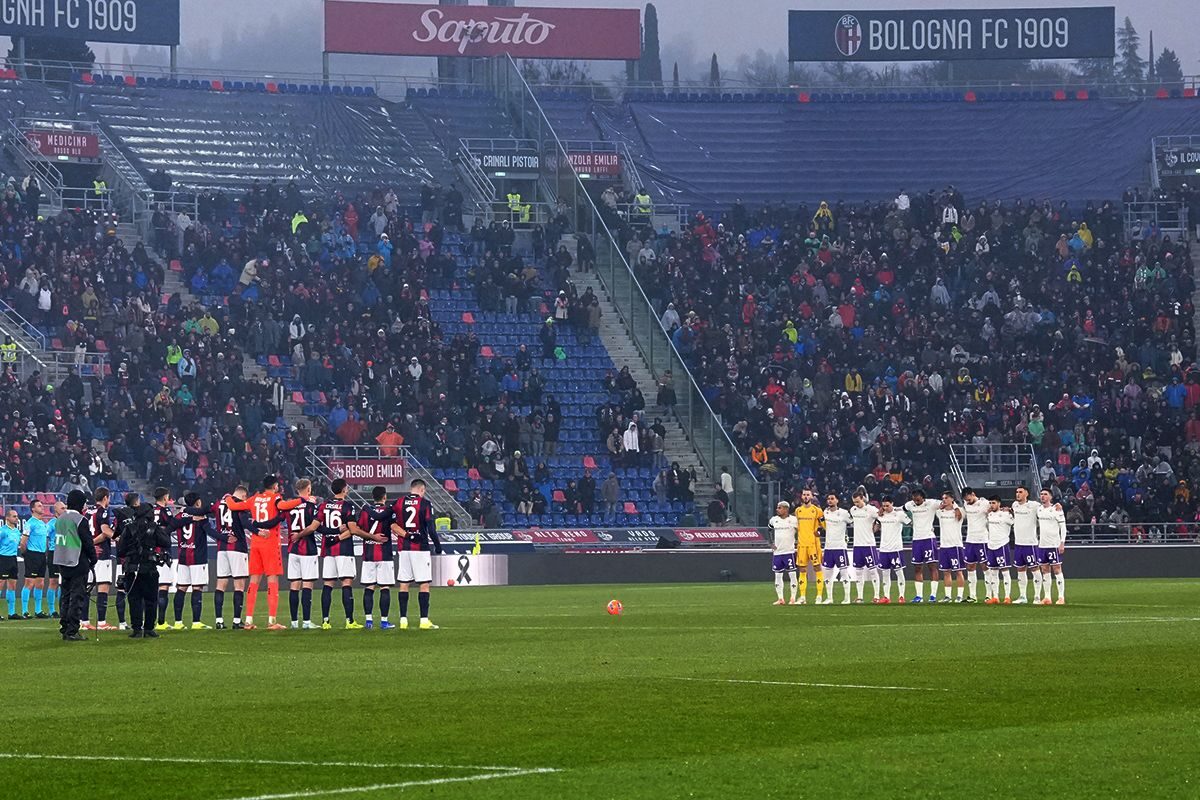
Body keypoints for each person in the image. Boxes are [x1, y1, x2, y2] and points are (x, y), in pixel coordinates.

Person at [224, 476, 302, 631]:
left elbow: (233, 506)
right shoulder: (275, 498)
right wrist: (302, 500)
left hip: (255, 543)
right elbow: (285, 506)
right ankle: (272, 621)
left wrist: (227, 498)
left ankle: (248, 621)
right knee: (272, 580)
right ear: (274, 486)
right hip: (270, 543)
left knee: (254, 581)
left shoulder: (254, 499)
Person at [116, 494, 170, 639]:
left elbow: (120, 550)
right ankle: (149, 629)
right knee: (151, 600)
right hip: (149, 568)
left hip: (132, 568)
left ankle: (136, 629)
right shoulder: (153, 527)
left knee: (134, 600)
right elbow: (166, 542)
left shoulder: (129, 527)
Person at [393, 479, 443, 630]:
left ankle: (403, 620)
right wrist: (438, 546)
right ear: (422, 490)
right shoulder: (425, 504)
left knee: (404, 584)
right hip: (420, 548)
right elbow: (431, 529)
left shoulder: (399, 502)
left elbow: (392, 523)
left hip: (404, 548)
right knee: (424, 584)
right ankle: (424, 620)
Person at [317, 478, 364, 629]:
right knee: (346, 583)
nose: (348, 490)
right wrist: (338, 534)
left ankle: (325, 621)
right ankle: (349, 621)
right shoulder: (348, 506)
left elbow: (317, 528)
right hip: (343, 549)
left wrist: (331, 533)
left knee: (328, 584)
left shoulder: (323, 505)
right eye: (347, 488)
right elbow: (352, 529)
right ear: (344, 490)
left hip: (328, 549)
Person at [52, 490, 96, 641]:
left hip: (62, 561)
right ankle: (72, 630)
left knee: (65, 597)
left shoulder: (60, 519)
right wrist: (93, 558)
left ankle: (64, 627)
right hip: (77, 561)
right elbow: (87, 542)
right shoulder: (79, 520)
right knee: (77, 597)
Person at [171, 493, 213, 630]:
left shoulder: (179, 516)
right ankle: (196, 622)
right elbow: (210, 532)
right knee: (197, 588)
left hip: (183, 557)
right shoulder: (201, 517)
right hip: (198, 557)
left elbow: (171, 527)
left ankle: (178, 622)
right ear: (198, 502)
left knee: (181, 588)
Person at [214, 485, 253, 629]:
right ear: (244, 496)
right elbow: (245, 523)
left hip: (222, 548)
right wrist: (257, 530)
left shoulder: (219, 504)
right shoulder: (239, 505)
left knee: (221, 584)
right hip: (237, 547)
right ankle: (237, 621)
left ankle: (219, 620)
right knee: (239, 585)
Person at [358, 486, 395, 630]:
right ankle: (384, 622)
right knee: (384, 587)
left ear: (373, 497)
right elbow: (393, 527)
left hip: (368, 553)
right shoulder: (388, 511)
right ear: (384, 497)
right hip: (384, 553)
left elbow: (359, 529)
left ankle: (368, 621)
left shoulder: (365, 511)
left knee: (369, 587)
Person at [285, 479, 321, 630]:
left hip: (293, 550)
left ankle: (294, 622)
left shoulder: (289, 506)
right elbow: (316, 526)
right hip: (308, 549)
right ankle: (306, 622)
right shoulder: (312, 505)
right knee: (307, 585)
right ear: (308, 489)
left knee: (294, 586)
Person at [82, 489, 117, 630]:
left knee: (87, 588)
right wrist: (118, 537)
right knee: (103, 587)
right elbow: (105, 532)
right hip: (101, 553)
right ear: (105, 498)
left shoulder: (86, 512)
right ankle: (101, 622)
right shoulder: (103, 511)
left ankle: (84, 622)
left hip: (87, 555)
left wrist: (88, 546)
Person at [20, 499, 54, 619]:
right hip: (32, 555)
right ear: (33, 509)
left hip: (41, 555)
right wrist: (26, 554)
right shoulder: (30, 523)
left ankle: (38, 610)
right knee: (29, 582)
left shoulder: (43, 523)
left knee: (40, 583)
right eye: (39, 506)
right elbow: (23, 541)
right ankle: (25, 611)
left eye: (42, 505)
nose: (42, 507)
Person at [904, 489, 939, 603]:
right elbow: (902, 509)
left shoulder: (931, 503)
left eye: (918, 500)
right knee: (917, 568)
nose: (916, 502)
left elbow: (946, 503)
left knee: (932, 566)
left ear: (923, 498)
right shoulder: (910, 505)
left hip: (929, 538)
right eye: (914, 499)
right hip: (916, 540)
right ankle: (919, 595)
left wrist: (957, 508)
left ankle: (933, 595)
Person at [1010, 486, 1041, 604]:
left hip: (1030, 543)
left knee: (1034, 569)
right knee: (1020, 569)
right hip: (1018, 543)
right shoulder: (1015, 505)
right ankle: (1023, 596)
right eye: (1017, 492)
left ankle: (1037, 596)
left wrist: (1056, 506)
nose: (1017, 494)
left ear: (1026, 493)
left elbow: (1045, 509)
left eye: (1020, 492)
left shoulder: (1034, 505)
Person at [819, 493, 852, 605]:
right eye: (828, 498)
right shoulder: (825, 512)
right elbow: (821, 526)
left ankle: (847, 598)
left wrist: (847, 537)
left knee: (844, 573)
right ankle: (829, 598)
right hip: (828, 548)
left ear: (837, 500)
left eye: (832, 498)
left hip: (840, 548)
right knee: (827, 575)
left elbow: (852, 523)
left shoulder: (844, 513)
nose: (830, 500)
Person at [876, 496, 910, 604]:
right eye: (884, 506)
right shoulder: (881, 515)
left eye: (887, 505)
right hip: (883, 549)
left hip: (896, 549)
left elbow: (910, 523)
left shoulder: (899, 514)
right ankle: (886, 596)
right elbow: (875, 528)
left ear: (892, 503)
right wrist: (876, 519)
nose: (885, 508)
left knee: (899, 573)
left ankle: (901, 596)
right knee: (885, 574)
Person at [1036, 489, 1067, 605]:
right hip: (1042, 545)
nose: (1042, 496)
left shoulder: (1056, 509)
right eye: (1041, 494)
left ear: (1051, 497)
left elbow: (1063, 527)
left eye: (1045, 494)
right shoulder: (1038, 510)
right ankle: (1047, 597)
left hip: (1053, 544)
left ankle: (1061, 597)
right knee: (1044, 570)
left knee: (1057, 569)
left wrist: (1062, 543)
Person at [849, 490, 880, 603]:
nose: (856, 504)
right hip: (857, 545)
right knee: (858, 572)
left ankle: (876, 596)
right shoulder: (853, 510)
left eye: (857, 502)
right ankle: (860, 597)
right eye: (854, 502)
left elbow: (881, 517)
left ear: (863, 498)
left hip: (868, 544)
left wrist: (876, 527)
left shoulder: (871, 510)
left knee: (872, 571)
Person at [792, 490, 824, 604]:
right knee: (802, 570)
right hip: (801, 545)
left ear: (811, 496)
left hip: (813, 545)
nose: (806, 497)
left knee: (817, 568)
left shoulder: (817, 511)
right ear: (801, 496)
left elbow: (823, 525)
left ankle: (819, 596)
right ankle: (802, 597)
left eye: (808, 495)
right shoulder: (798, 511)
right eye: (804, 495)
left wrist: (818, 532)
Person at [934, 492, 966, 603]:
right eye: (943, 498)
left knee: (958, 571)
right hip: (944, 546)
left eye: (946, 498)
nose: (944, 500)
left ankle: (959, 596)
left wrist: (955, 506)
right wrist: (941, 505)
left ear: (952, 499)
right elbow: (933, 508)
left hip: (955, 545)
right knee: (946, 571)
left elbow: (961, 513)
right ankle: (948, 596)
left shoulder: (959, 511)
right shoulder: (940, 512)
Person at [767, 502, 799, 606]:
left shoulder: (793, 520)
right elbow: (769, 530)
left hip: (789, 552)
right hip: (777, 553)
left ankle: (793, 598)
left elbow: (800, 531)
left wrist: (798, 541)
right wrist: (771, 542)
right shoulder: (774, 519)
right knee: (778, 575)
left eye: (779, 508)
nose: (777, 509)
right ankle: (780, 598)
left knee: (792, 575)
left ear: (786, 509)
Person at [961, 487, 989, 604]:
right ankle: (973, 596)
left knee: (985, 567)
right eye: (966, 500)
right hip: (970, 540)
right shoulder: (965, 504)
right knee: (970, 567)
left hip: (982, 539)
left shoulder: (984, 503)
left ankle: (989, 595)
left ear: (973, 494)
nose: (968, 502)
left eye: (969, 499)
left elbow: (994, 510)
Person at [984, 496, 1014, 605]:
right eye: (990, 503)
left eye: (994, 503)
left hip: (1002, 545)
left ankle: (1007, 597)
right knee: (993, 572)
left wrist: (1011, 511)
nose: (992, 505)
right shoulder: (989, 515)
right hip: (991, 545)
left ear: (999, 504)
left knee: (1005, 571)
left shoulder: (1005, 515)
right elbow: (987, 528)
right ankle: (995, 596)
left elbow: (1013, 523)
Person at [0, 509, 20, 620]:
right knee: (1, 584)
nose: (16, 518)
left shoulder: (17, 531)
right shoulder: (3, 531)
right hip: (3, 558)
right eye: (14, 516)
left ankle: (11, 613)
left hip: (13, 559)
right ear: (7, 518)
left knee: (12, 585)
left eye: (17, 516)